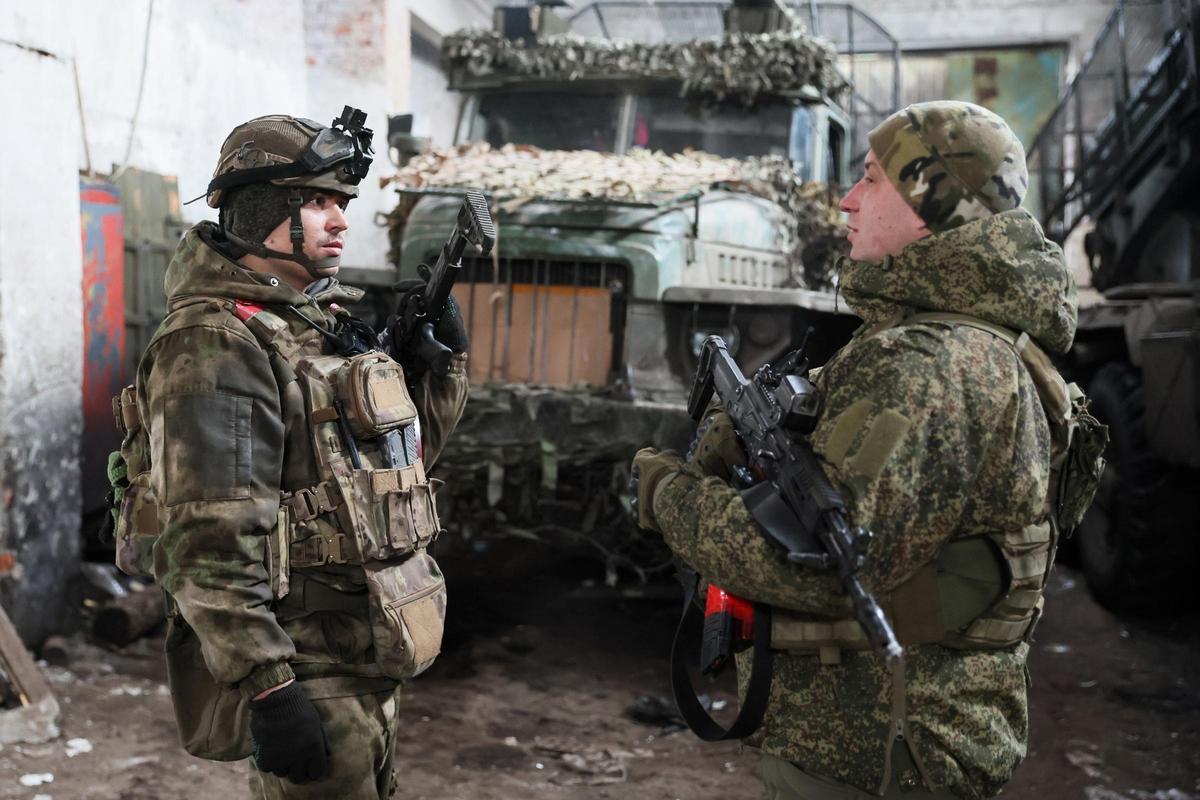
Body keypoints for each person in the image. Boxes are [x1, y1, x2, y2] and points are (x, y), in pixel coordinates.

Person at [632, 101, 1083, 799]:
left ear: (931, 200)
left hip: (878, 751)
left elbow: (812, 566)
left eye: (871, 179)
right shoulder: (964, 341)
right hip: (900, 737)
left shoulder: (928, 363)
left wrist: (669, 494)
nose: (846, 201)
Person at [110, 110, 469, 798]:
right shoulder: (217, 343)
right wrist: (270, 687)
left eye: (341, 203)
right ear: (261, 211)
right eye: (316, 202)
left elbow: (395, 478)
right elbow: (207, 539)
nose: (338, 221)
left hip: (363, 651)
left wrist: (437, 368)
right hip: (307, 669)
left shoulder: (311, 324)